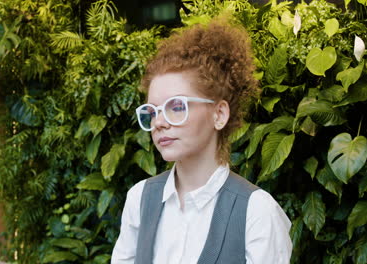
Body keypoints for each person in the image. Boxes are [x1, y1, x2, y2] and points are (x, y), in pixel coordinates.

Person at [111, 20, 292, 264]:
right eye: (153, 111)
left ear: (219, 114)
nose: (159, 122)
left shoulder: (257, 212)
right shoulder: (140, 199)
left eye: (176, 106)